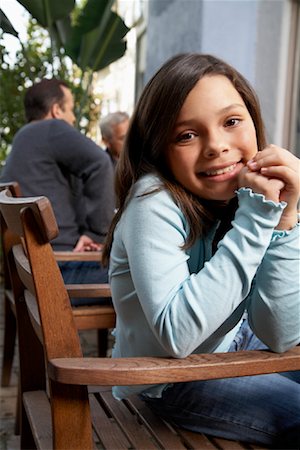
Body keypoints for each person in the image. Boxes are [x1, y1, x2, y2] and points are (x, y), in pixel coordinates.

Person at [103, 54, 300, 447]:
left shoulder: (241, 198)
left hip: (233, 349)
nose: (217, 147)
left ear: (253, 121)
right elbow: (178, 337)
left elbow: (280, 334)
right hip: (167, 381)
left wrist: (285, 220)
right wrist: (259, 217)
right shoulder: (152, 201)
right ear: (159, 148)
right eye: (186, 135)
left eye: (231, 122)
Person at [0, 78, 115, 305]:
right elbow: (101, 163)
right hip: (62, 271)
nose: (73, 118)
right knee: (147, 277)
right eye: (70, 110)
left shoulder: (22, 138)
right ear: (56, 110)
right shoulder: (52, 128)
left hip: (31, 273)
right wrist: (96, 233)